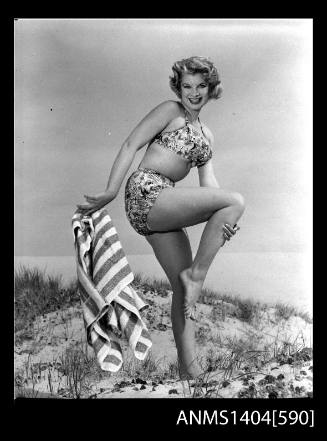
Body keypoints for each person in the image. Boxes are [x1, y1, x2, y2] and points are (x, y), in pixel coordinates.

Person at [77, 56, 245, 380]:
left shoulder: (206, 137)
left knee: (183, 288)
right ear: (177, 87)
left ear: (211, 89)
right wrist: (111, 190)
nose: (193, 93)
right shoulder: (171, 111)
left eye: (200, 86)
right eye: (187, 86)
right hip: (146, 192)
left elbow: (209, 189)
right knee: (235, 202)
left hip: (163, 205)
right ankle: (196, 275)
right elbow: (130, 144)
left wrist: (225, 221)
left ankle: (189, 371)